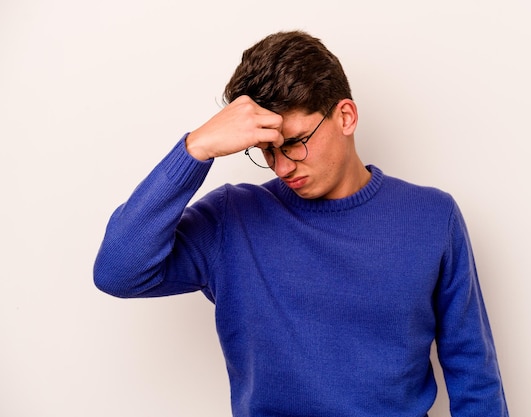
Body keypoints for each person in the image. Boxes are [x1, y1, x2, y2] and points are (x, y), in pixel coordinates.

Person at [94, 30, 509, 417]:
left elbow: (473, 370)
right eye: (267, 151)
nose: (281, 166)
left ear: (345, 117)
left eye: (294, 143)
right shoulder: (232, 219)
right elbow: (118, 272)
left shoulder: (432, 217)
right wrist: (194, 149)